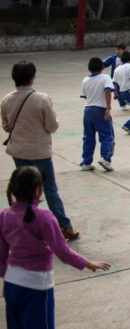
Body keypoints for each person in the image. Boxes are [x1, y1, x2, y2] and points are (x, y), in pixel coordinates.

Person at [0, 166, 111, 329]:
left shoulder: (5, 215)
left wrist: (10, 274)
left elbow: (1, 254)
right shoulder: (43, 217)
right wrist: (87, 263)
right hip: (36, 287)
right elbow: (62, 251)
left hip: (13, 285)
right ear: (37, 190)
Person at [1, 61, 80, 240]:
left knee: (24, 189)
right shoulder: (42, 99)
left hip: (18, 151)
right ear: (32, 77)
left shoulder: (6, 100)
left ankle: (26, 225)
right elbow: (52, 126)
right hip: (40, 152)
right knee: (50, 188)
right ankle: (65, 227)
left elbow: (6, 127)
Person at [80, 58, 115, 172]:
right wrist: (108, 107)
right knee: (107, 136)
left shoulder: (85, 80)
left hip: (88, 110)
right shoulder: (105, 78)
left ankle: (86, 162)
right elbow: (107, 91)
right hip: (100, 109)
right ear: (102, 68)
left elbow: (85, 96)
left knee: (88, 137)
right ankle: (105, 158)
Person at [103, 42, 130, 111]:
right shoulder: (113, 58)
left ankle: (128, 100)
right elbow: (105, 63)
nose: (117, 51)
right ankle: (122, 104)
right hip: (117, 77)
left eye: (119, 49)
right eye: (116, 50)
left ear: (125, 50)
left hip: (127, 78)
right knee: (118, 91)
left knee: (128, 91)